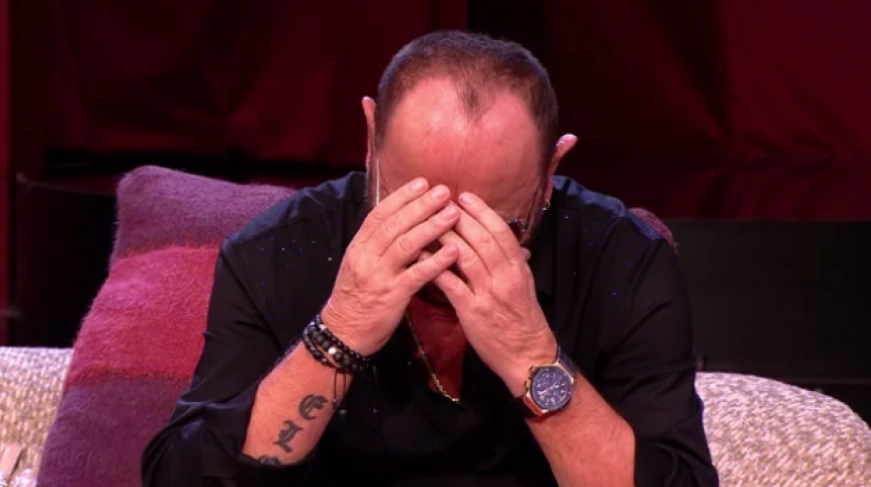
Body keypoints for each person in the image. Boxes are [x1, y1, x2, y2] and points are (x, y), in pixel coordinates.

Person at [142, 30, 718, 486]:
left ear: (550, 172)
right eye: (417, 210)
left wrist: (532, 357)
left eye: (488, 225)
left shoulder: (621, 259)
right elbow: (179, 475)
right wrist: (339, 333)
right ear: (371, 140)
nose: (446, 251)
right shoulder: (275, 252)